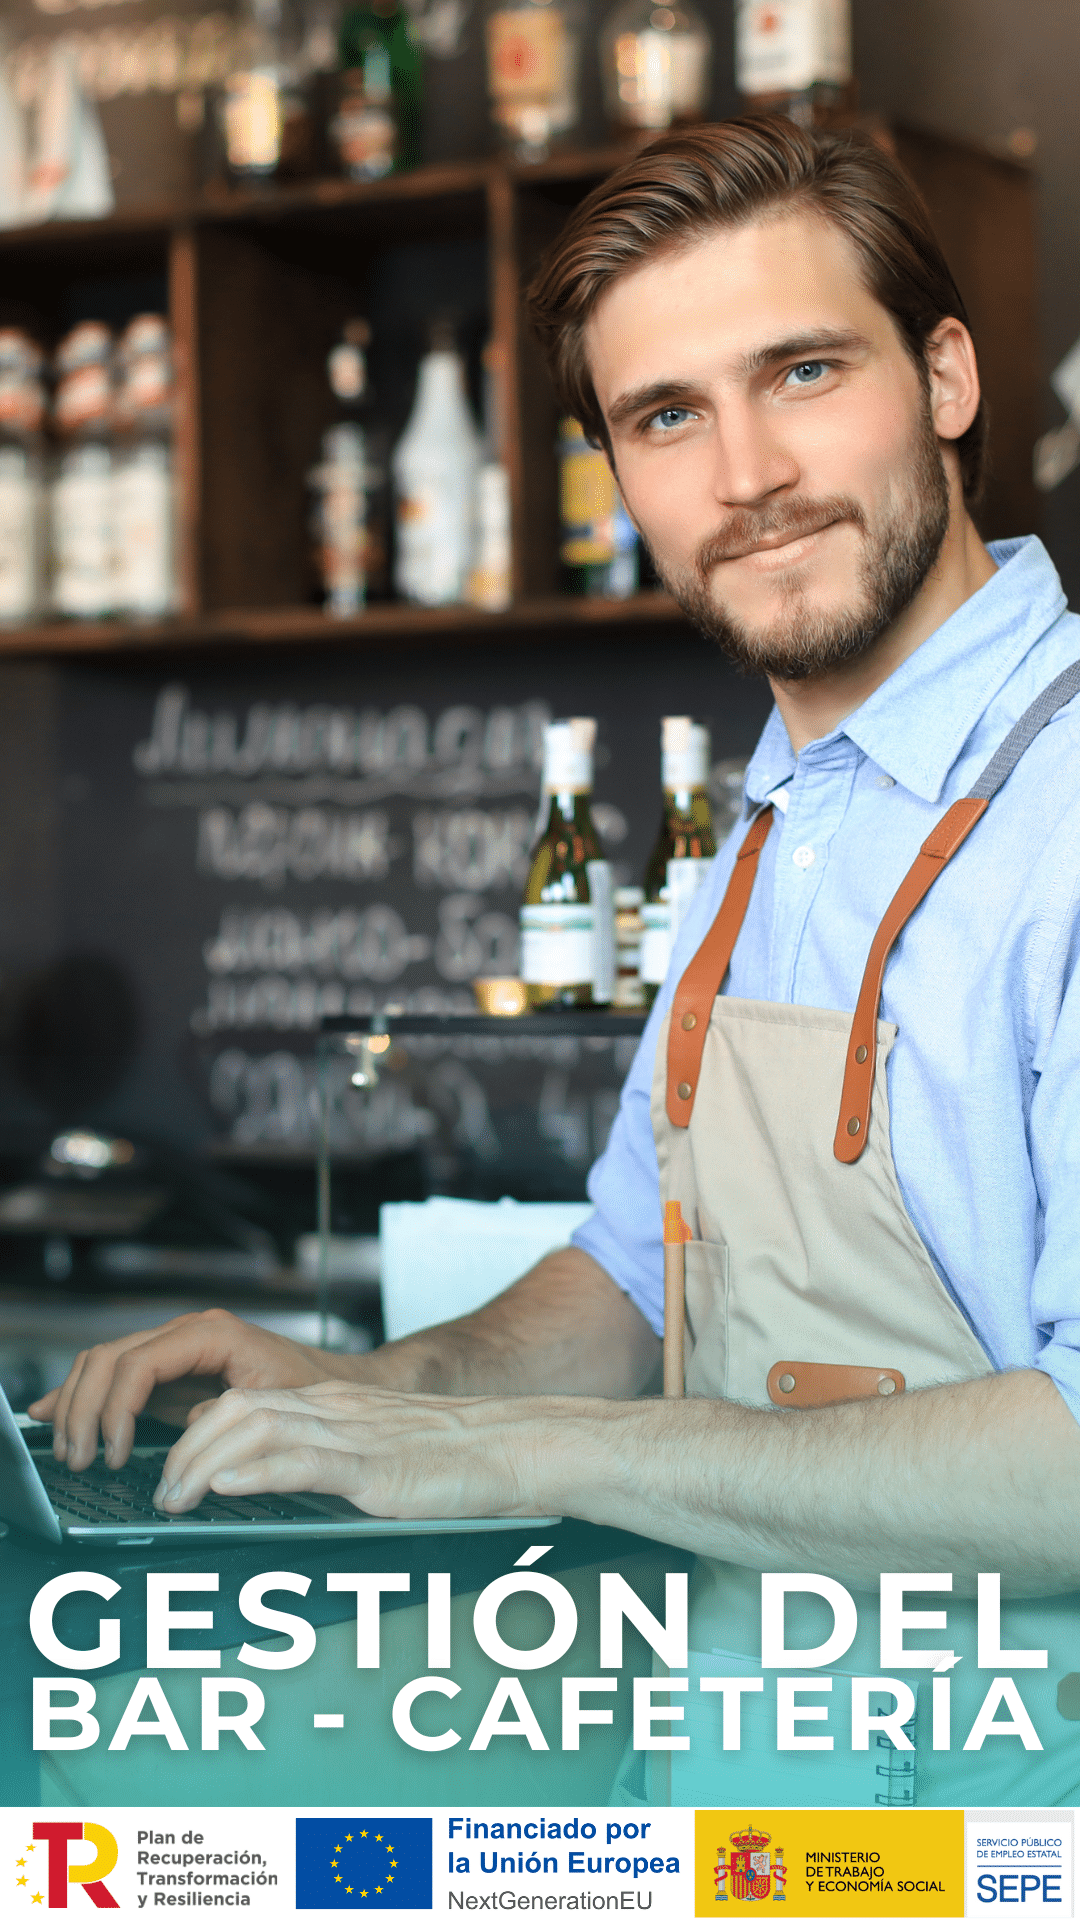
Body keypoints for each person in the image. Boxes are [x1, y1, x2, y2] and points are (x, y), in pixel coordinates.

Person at [32, 118, 1080, 1805]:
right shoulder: (782, 815)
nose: (744, 476)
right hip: (758, 1799)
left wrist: (510, 1447)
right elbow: (636, 1273)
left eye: (804, 371)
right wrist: (371, 1393)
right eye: (667, 416)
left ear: (947, 376)